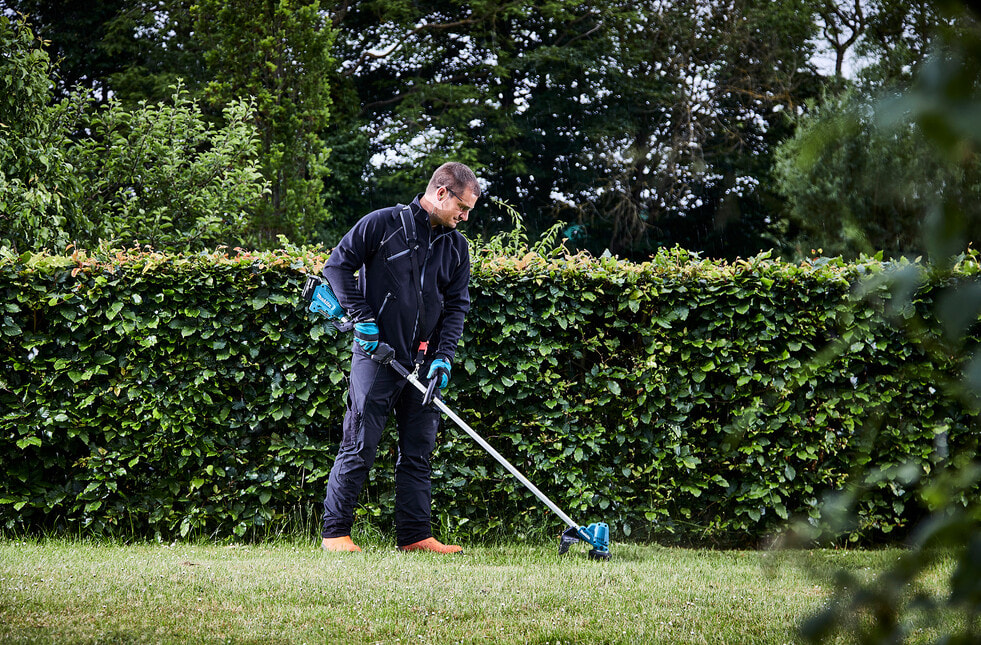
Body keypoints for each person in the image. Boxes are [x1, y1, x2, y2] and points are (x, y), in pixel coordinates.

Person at [319, 162, 479, 553]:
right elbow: (337, 267)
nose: (465, 216)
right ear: (441, 192)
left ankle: (415, 536)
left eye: (470, 211)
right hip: (377, 356)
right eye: (463, 207)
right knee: (359, 444)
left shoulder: (456, 247)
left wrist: (444, 357)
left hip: (424, 362)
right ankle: (335, 534)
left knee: (419, 450)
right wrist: (363, 321)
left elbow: (456, 306)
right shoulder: (382, 223)